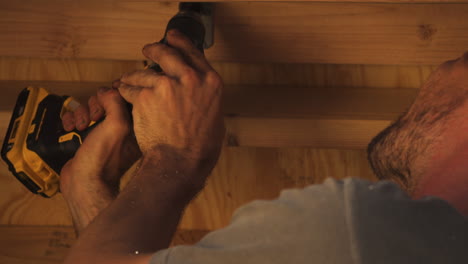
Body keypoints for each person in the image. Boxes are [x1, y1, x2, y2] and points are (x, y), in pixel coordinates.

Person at [60, 30, 467, 264]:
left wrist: (176, 158)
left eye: (464, 59)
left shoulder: (360, 237)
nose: (440, 70)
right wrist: (90, 188)